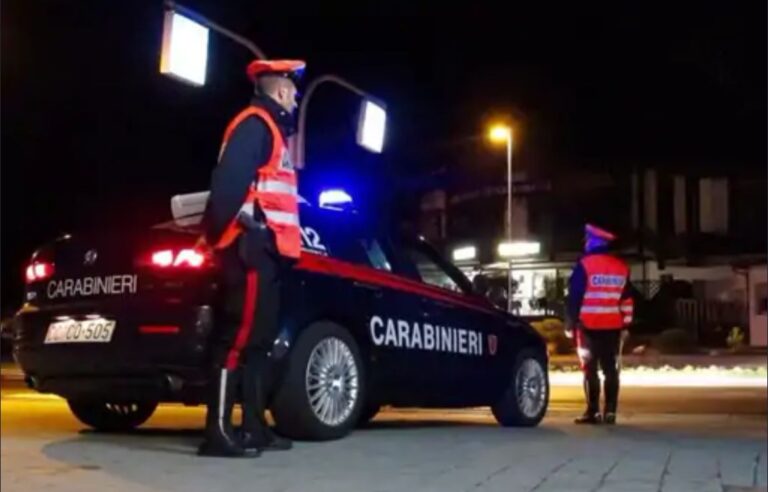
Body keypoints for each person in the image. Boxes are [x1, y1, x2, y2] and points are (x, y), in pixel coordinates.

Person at [197, 59, 305, 457]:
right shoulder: (254, 125)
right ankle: (218, 433)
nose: (296, 100)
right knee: (236, 340)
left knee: (258, 341)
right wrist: (220, 238)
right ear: (281, 91)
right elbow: (227, 188)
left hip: (267, 253)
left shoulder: (270, 130)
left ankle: (255, 428)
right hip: (249, 250)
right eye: (294, 93)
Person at [565, 224, 633, 425]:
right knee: (611, 369)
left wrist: (570, 322)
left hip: (587, 326)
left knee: (589, 369)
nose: (585, 244)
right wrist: (626, 325)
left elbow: (575, 297)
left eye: (587, 240)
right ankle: (610, 411)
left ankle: (593, 411)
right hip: (612, 327)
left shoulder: (584, 265)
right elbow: (627, 300)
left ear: (593, 243)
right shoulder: (621, 267)